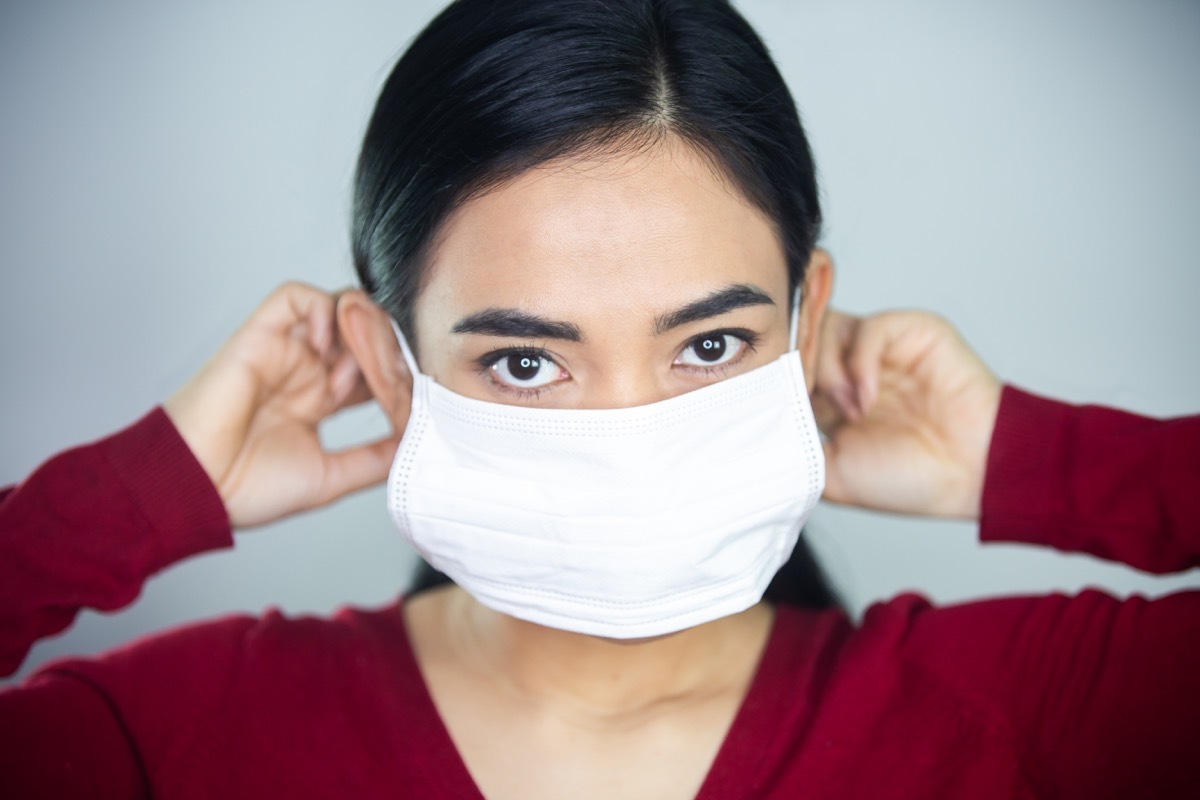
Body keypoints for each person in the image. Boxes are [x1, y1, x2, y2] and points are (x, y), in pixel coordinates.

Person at [2, 0, 1198, 798]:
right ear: (384, 363)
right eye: (527, 361)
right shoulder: (180, 740)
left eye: (711, 342)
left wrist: (1032, 459)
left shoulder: (1018, 717)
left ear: (808, 319)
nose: (633, 444)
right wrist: (136, 497)